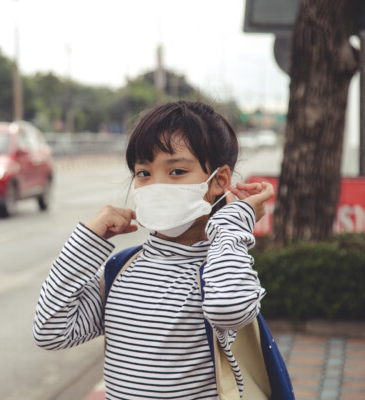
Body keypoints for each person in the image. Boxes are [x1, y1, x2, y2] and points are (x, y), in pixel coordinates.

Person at [33, 101, 274, 399]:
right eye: (143, 173)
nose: (155, 185)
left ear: (219, 181)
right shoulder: (119, 269)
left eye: (176, 171)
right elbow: (50, 331)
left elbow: (230, 310)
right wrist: (88, 240)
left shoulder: (220, 267)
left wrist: (234, 220)